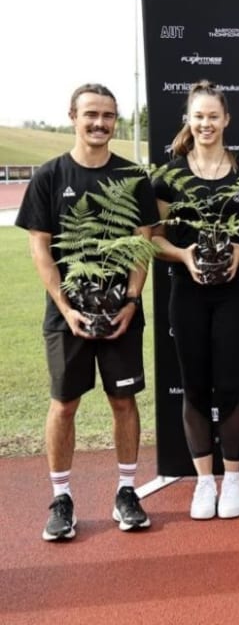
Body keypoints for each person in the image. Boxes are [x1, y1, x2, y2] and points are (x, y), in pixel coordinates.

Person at [16, 84, 158, 540]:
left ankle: (126, 491)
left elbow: (142, 243)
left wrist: (132, 300)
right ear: (73, 116)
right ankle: (61, 499)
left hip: (121, 313)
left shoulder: (134, 177)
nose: (100, 123)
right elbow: (39, 247)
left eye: (109, 116)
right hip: (67, 315)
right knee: (64, 404)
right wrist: (65, 307)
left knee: (123, 401)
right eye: (91, 114)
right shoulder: (49, 176)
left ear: (117, 121)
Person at [152, 81, 239, 519]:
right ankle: (204, 482)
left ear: (226, 120)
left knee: (230, 386)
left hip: (235, 294)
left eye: (213, 116)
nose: (205, 123)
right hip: (187, 294)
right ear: (189, 119)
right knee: (196, 387)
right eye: (198, 116)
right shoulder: (168, 175)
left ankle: (233, 478)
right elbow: (154, 240)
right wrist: (184, 256)